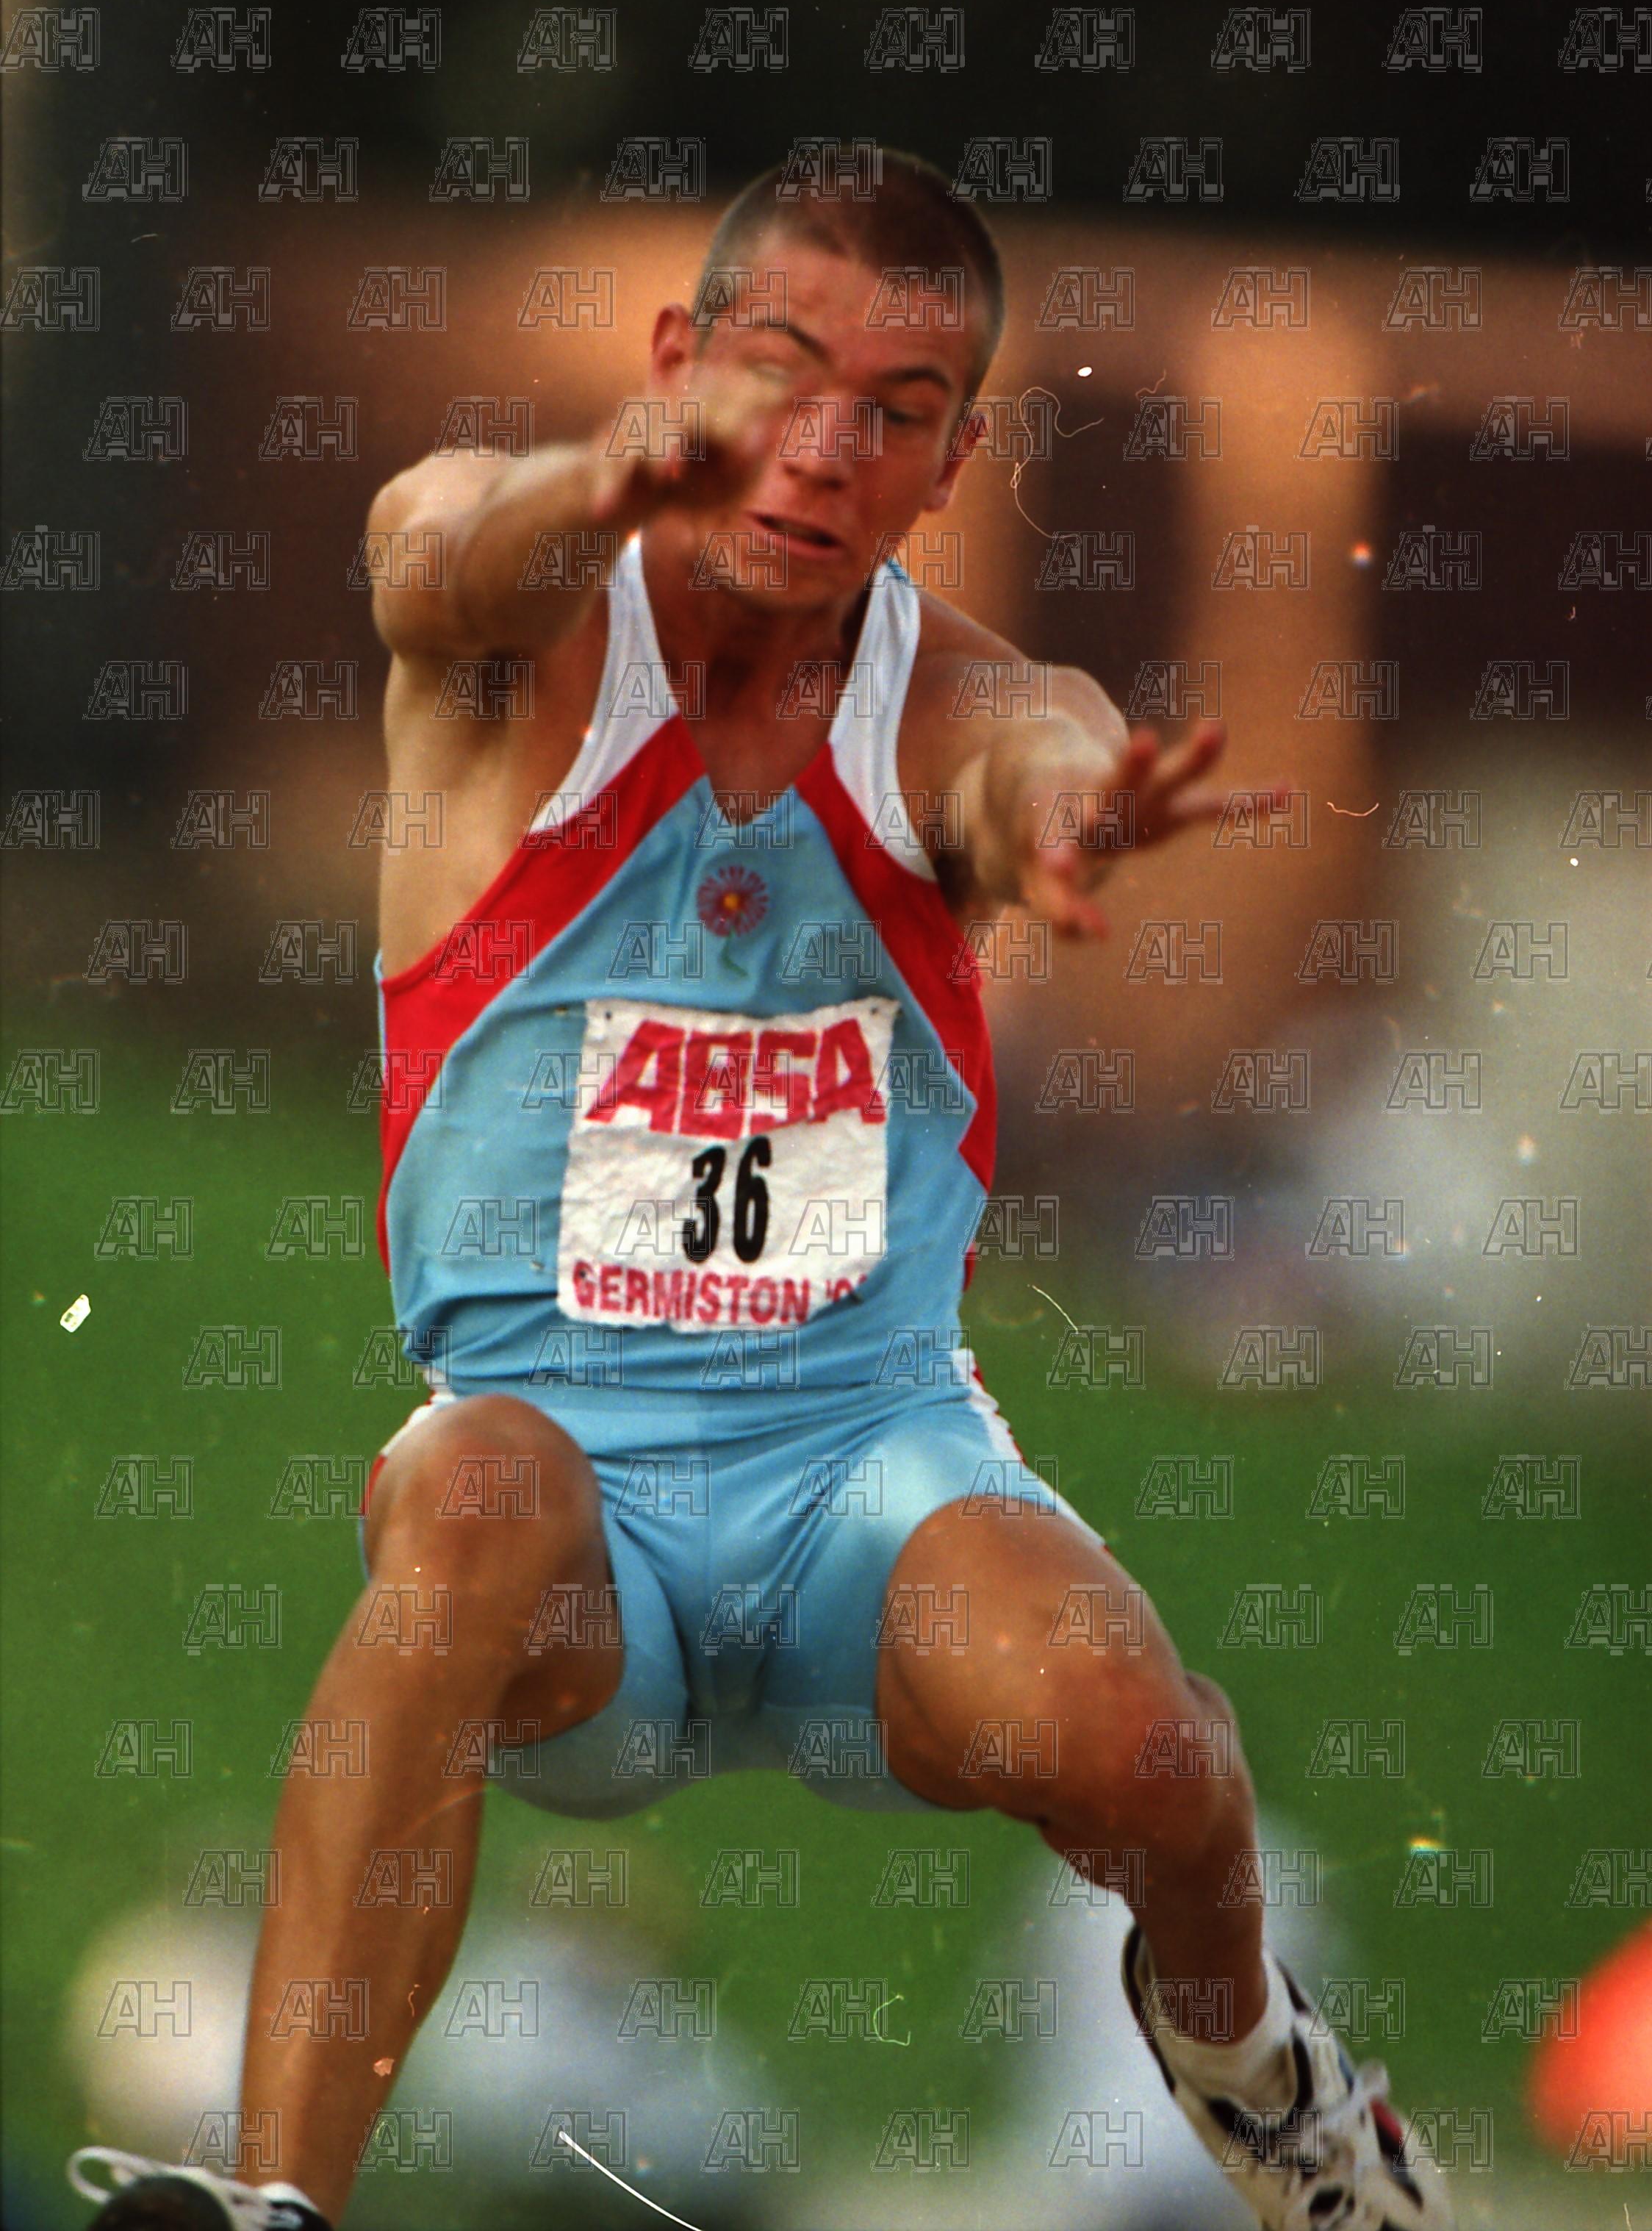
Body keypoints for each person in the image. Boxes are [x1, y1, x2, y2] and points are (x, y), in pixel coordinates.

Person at [71, 151, 1451, 2231]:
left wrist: (1072, 826)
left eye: (896, 413)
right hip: (569, 1522)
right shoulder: (513, 611)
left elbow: (1036, 764)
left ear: (952, 462)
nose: (822, 451)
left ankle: (1266, 2075)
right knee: (464, 1496)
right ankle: (274, 2209)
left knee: (1150, 1753)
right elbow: (440, 561)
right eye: (780, 381)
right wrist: (619, 479)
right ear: (675, 363)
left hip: (861, 1479)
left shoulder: (963, 700)